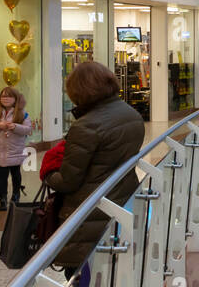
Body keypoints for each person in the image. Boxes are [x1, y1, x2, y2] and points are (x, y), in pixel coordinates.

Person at [45, 61, 145, 269]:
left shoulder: (86, 125)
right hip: (123, 199)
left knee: (84, 280)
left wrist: (47, 172)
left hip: (90, 213)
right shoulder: (131, 114)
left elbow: (68, 181)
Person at [0, 85, 32, 211]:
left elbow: (28, 129)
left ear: (15, 98)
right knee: (2, 175)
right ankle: (2, 198)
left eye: (9, 96)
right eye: (3, 96)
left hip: (15, 150)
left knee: (16, 173)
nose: (5, 99)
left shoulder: (22, 113)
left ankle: (16, 195)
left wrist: (15, 127)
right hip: (0, 150)